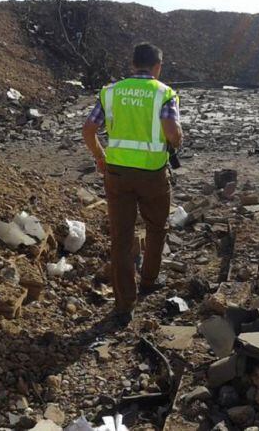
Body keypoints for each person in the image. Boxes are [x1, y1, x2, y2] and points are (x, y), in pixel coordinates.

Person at [82, 43, 183, 327]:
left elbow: (89, 130)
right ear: (157, 67)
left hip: (117, 176)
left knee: (122, 239)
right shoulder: (164, 93)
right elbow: (172, 132)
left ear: (132, 64)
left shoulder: (112, 92)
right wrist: (177, 140)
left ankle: (125, 303)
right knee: (156, 227)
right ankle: (149, 280)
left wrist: (101, 159)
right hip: (152, 175)